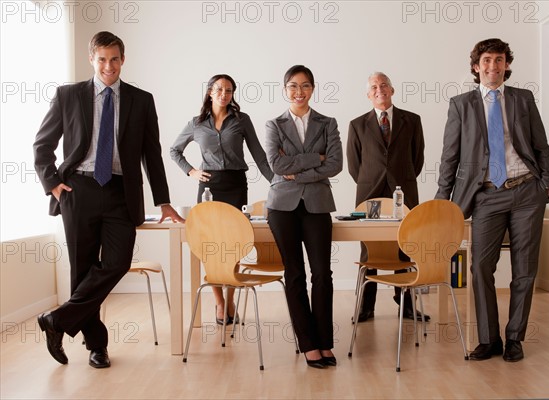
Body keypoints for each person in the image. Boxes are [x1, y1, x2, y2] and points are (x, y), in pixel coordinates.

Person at [33, 31, 183, 368]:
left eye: (114, 58)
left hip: (120, 191)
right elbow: (42, 146)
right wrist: (53, 184)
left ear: (123, 59)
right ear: (92, 59)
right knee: (82, 270)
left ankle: (56, 321)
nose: (108, 66)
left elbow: (151, 153)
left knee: (117, 263)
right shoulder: (68, 95)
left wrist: (163, 200)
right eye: (102, 59)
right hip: (78, 190)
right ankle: (96, 347)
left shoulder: (141, 100)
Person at [435, 38, 549, 362]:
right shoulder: (461, 104)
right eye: (487, 60)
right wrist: (442, 201)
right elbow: (450, 158)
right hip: (486, 195)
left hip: (527, 191)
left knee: (525, 269)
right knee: (480, 268)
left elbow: (540, 145)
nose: (493, 66)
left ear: (506, 65)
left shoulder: (523, 99)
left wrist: (546, 184)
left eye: (499, 60)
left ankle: (515, 338)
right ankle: (489, 340)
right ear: (476, 66)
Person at [170, 74, 273, 325]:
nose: (223, 94)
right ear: (209, 92)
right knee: (209, 245)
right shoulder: (196, 123)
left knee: (234, 244)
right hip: (209, 187)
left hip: (236, 185)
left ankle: (230, 297)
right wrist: (192, 171)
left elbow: (259, 155)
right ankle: (219, 303)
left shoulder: (241, 120)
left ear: (232, 94)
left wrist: (277, 182)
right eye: (219, 89)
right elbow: (174, 150)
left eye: (228, 90)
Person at [265, 65, 343, 368]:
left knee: (322, 274)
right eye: (293, 86)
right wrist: (315, 159)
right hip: (281, 207)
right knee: (295, 274)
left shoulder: (327, 123)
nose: (299, 92)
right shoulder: (274, 124)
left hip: (317, 204)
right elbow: (275, 164)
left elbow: (335, 164)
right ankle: (308, 344)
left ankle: (325, 341)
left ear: (313, 89)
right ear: (285, 89)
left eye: (306, 86)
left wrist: (295, 170)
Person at [347, 72, 427, 322]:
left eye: (384, 85)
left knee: (405, 246)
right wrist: (371, 181)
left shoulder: (412, 120)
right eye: (374, 86)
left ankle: (406, 305)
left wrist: (401, 180)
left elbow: (418, 158)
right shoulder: (357, 124)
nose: (379, 89)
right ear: (368, 95)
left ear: (392, 90)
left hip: (403, 191)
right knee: (369, 249)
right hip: (369, 192)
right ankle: (366, 307)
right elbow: (353, 164)